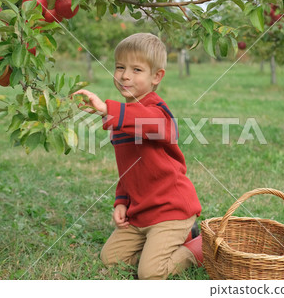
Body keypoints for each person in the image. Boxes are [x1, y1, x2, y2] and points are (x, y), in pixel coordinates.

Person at [73, 33, 202, 280]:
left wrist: (108, 109)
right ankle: (160, 245)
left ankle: (197, 246)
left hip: (171, 210)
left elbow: (158, 127)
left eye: (136, 69)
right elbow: (127, 167)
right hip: (140, 213)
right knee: (110, 259)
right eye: (120, 67)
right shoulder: (120, 119)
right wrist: (121, 201)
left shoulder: (156, 111)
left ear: (156, 76)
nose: (125, 76)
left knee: (150, 274)